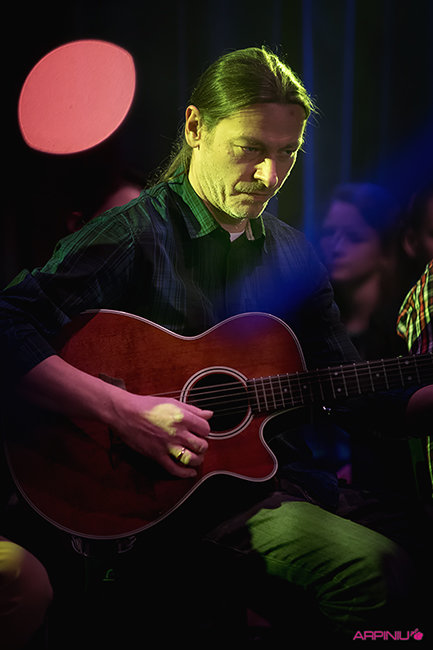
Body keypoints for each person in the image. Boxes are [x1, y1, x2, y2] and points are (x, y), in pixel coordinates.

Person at [0, 46, 432, 644]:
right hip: (169, 504)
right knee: (378, 573)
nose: (270, 176)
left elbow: (351, 390)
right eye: (250, 148)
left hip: (275, 481)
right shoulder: (133, 233)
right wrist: (125, 411)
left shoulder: (293, 254)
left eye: (288, 153)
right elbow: (9, 323)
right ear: (195, 128)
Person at [317, 182, 407, 360]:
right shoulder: (315, 322)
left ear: (385, 248)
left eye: (354, 237)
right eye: (329, 232)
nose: (337, 247)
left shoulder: (406, 325)